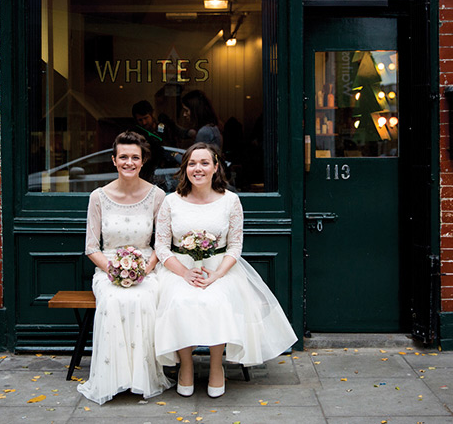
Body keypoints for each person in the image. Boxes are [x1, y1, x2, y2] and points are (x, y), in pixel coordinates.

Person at [154, 142, 297, 398]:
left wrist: (218, 274)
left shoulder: (230, 201)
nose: (198, 169)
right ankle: (186, 364)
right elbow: (162, 247)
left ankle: (216, 365)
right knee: (179, 300)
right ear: (185, 168)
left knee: (218, 300)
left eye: (204, 163)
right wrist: (184, 273)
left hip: (219, 268)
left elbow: (235, 246)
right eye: (192, 163)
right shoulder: (171, 202)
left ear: (215, 167)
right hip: (179, 268)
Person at [77, 131, 172, 405]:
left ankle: (141, 378)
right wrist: (114, 270)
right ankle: (113, 378)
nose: (129, 162)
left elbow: (162, 244)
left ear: (143, 162)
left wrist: (144, 269)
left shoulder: (157, 196)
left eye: (135, 157)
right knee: (113, 299)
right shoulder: (98, 196)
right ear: (113, 160)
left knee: (143, 298)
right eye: (123, 157)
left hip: (146, 267)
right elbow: (92, 247)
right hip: (108, 268)